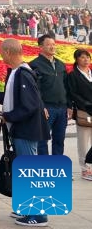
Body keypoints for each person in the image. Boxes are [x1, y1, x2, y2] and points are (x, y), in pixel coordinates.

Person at [0, 38, 50, 227]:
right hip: (23, 130)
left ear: (9, 52)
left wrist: (9, 116)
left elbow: (29, 105)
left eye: (1, 52)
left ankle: (38, 214)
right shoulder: (16, 72)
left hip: (27, 131)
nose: (0, 55)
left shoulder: (22, 74)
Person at [30, 33, 70, 156]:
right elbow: (35, 89)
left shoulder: (60, 64)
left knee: (59, 140)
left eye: (54, 44)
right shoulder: (34, 65)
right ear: (40, 47)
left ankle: (57, 170)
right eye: (48, 45)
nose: (52, 47)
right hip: (47, 108)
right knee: (42, 142)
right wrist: (41, 107)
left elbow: (66, 86)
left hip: (62, 108)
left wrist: (69, 105)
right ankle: (45, 170)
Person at [66, 48, 92, 180]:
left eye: (87, 57)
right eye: (82, 57)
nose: (86, 59)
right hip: (84, 112)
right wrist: (87, 105)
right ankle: (85, 169)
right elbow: (73, 94)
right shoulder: (73, 76)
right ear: (76, 60)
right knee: (83, 142)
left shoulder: (91, 73)